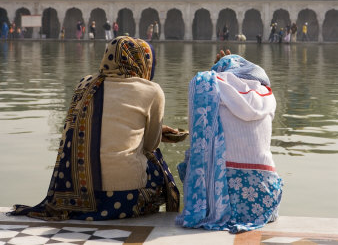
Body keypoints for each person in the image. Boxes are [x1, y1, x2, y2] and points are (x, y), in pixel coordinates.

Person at [9, 36, 180, 221]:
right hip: (124, 200)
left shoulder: (84, 84)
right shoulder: (153, 91)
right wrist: (158, 132)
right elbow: (150, 145)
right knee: (157, 162)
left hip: (78, 199)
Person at [176, 50, 283, 233]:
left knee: (191, 159)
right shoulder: (267, 96)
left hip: (217, 204)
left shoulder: (207, 86)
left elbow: (198, 142)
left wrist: (214, 72)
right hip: (264, 203)